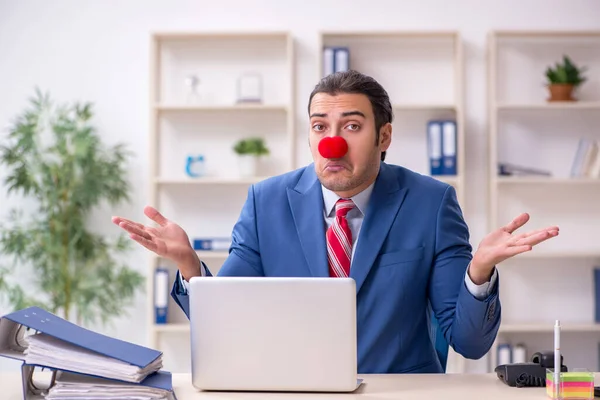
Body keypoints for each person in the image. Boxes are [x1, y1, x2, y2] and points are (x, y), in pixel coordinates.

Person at [113, 70, 558, 374]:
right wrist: (190, 264)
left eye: (350, 126)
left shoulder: (431, 203)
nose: (331, 144)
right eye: (320, 126)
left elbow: (471, 343)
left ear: (384, 136)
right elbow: (225, 322)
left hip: (400, 394)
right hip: (293, 393)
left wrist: (478, 272)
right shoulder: (266, 201)